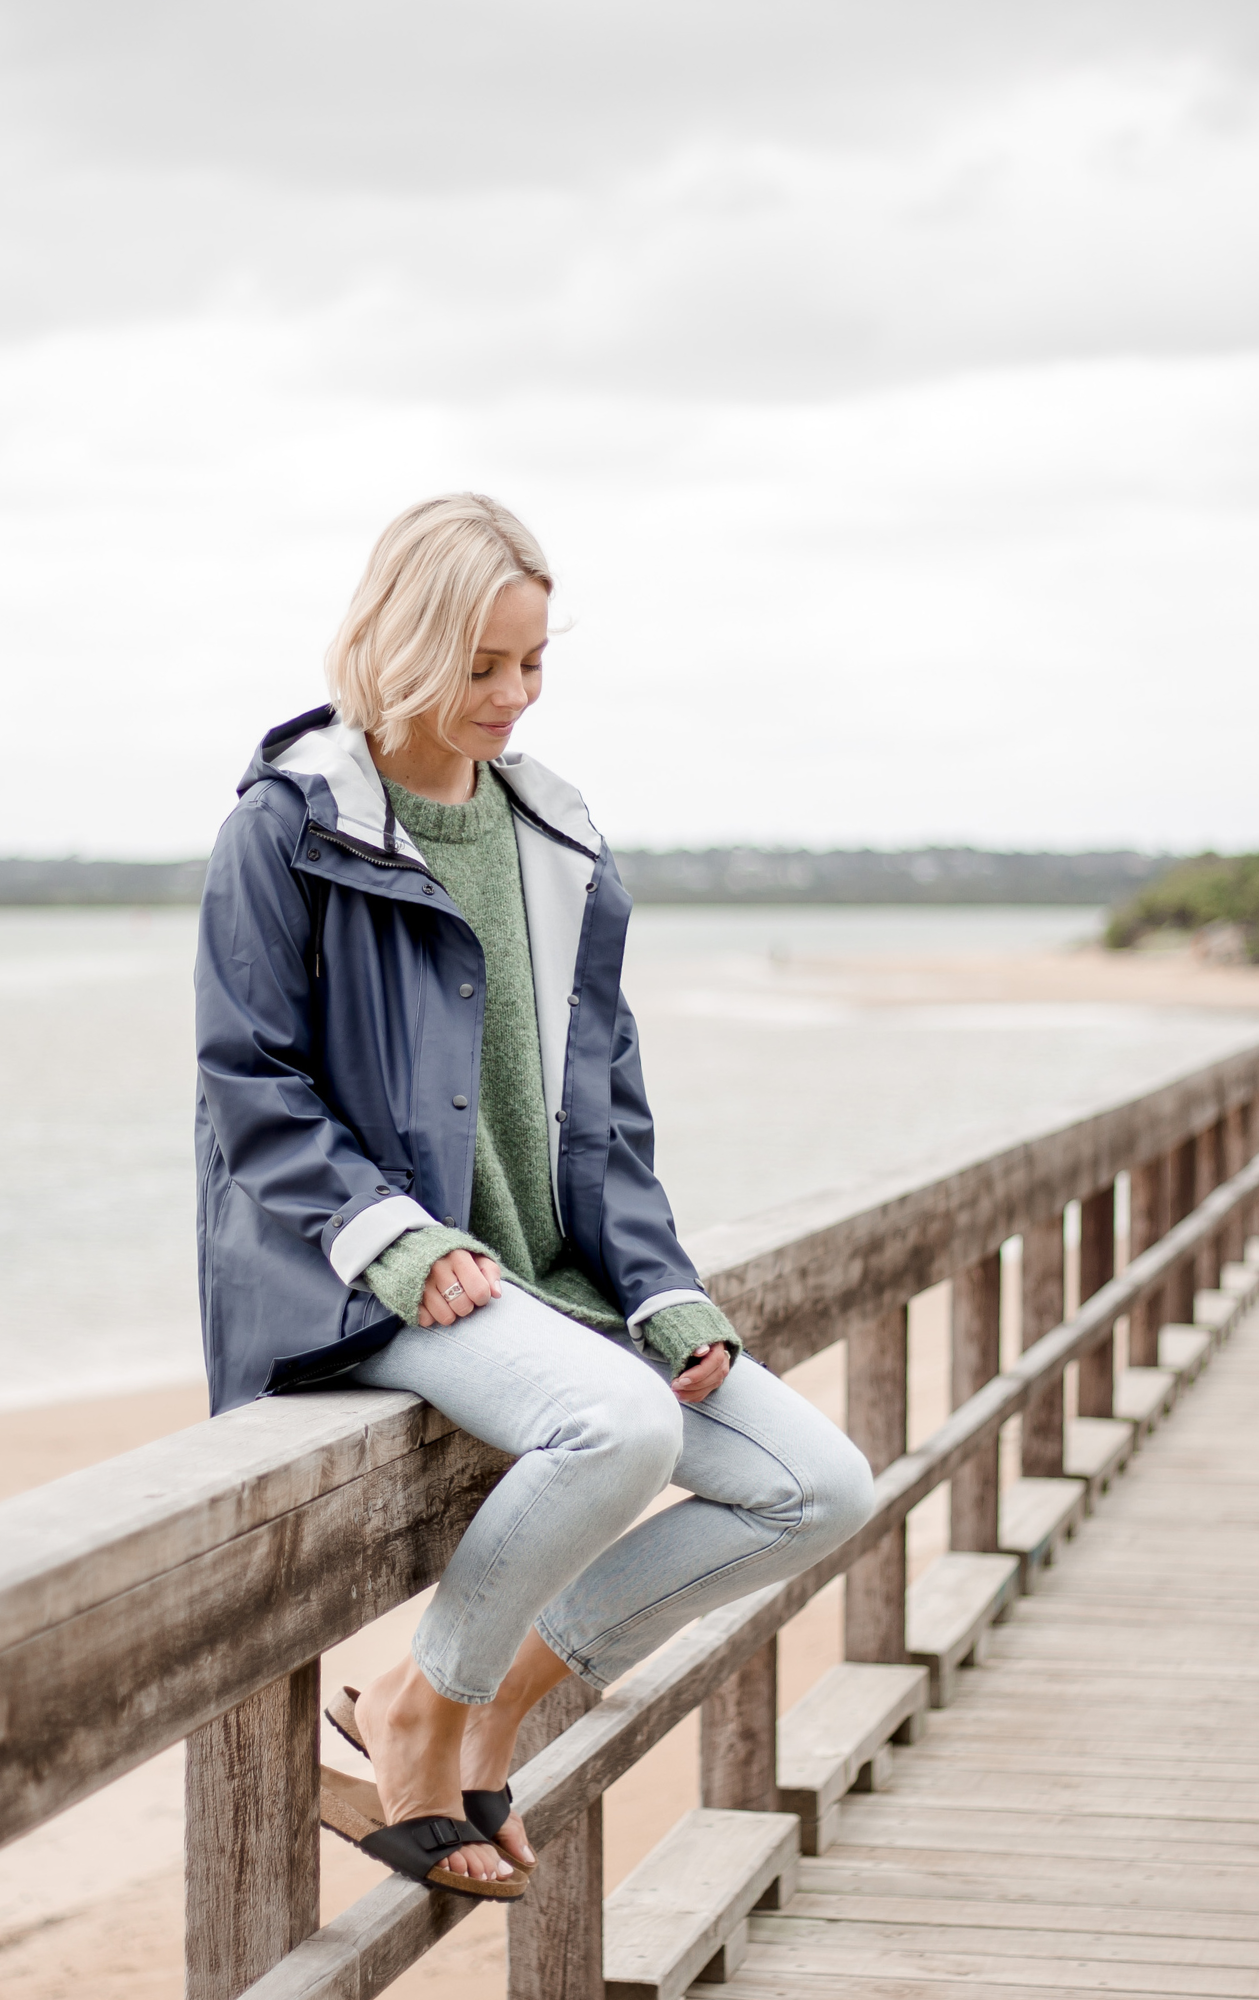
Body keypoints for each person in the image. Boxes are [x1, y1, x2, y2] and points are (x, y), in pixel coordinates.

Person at [195, 494, 874, 1899]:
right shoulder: (288, 827)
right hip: (360, 1275)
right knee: (612, 1420)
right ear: (399, 641)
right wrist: (395, 1241)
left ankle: (468, 1702)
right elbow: (250, 1084)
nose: (513, 697)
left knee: (820, 1488)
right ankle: (427, 1707)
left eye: (535, 664)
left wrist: (665, 1288)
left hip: (548, 1277)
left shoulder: (553, 838)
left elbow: (601, 1104)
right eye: (484, 665)